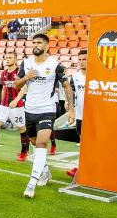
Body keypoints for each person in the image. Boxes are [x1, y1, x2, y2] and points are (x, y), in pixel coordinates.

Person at [14, 33, 74, 198]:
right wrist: (27, 77)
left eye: (39, 42)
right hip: (29, 110)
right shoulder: (26, 63)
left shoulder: (55, 65)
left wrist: (71, 109)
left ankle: (31, 183)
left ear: (47, 46)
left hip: (47, 109)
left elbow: (67, 87)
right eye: (34, 42)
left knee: (41, 144)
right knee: (34, 143)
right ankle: (46, 172)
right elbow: (16, 84)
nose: (35, 45)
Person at [66, 50, 87, 178]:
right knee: (82, 141)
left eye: (84, 59)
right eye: (79, 60)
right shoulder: (75, 76)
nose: (81, 62)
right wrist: (69, 105)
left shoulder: (97, 75)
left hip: (95, 114)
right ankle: (81, 167)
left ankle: (80, 167)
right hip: (80, 114)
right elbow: (72, 92)